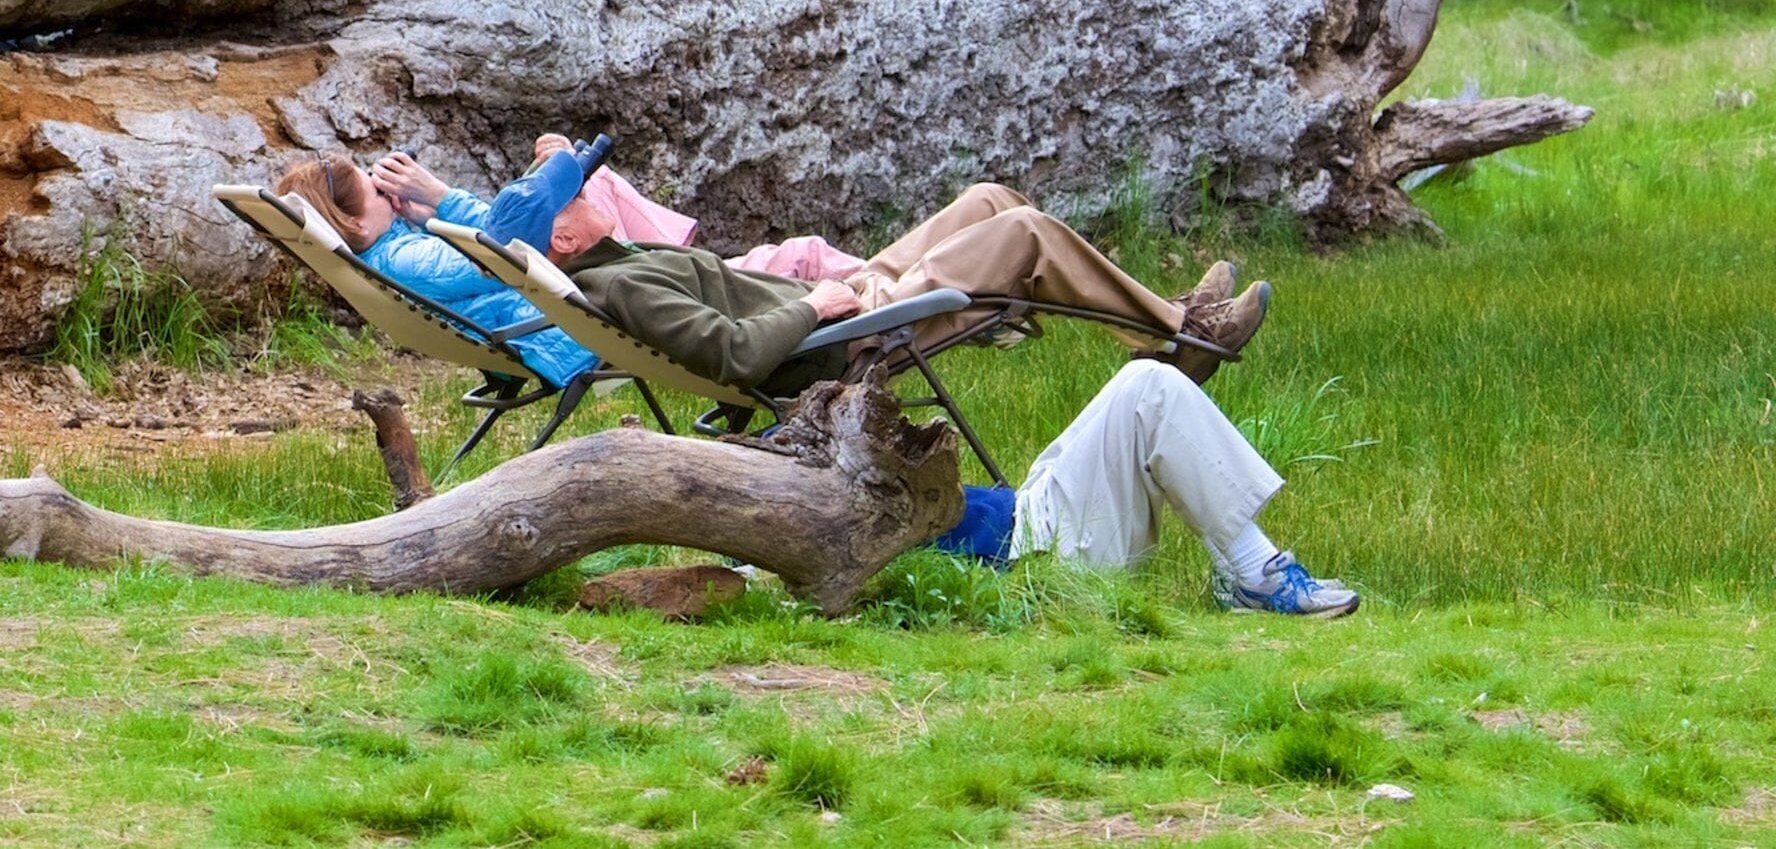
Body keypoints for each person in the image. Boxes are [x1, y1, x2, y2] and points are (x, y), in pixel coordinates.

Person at [546, 179, 1269, 392]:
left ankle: (1157, 322)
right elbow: (733, 356)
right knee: (1026, 234)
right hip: (843, 341)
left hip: (850, 303)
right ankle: (1187, 335)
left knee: (990, 200)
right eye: (576, 192)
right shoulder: (625, 287)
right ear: (565, 238)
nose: (590, 187)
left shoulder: (611, 260)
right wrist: (810, 305)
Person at [947, 358, 1361, 616]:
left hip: (1018, 518)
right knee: (1150, 386)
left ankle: (1243, 572)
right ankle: (1255, 574)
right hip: (1029, 550)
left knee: (1140, 383)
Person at [269, 144, 601, 391]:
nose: (389, 192)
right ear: (357, 225)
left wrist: (426, 219)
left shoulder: (390, 259)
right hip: (566, 338)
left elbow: (475, 259)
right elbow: (499, 252)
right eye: (378, 191)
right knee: (539, 200)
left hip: (532, 332)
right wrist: (440, 195)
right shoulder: (404, 262)